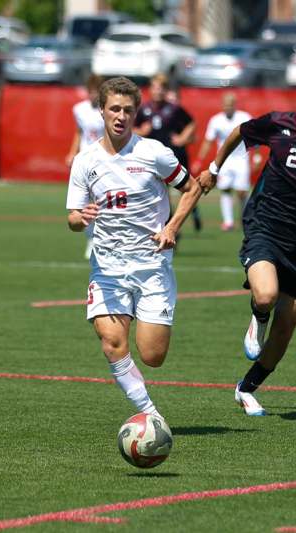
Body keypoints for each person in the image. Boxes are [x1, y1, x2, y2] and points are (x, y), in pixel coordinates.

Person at [197, 71, 296, 416]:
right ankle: (258, 315)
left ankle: (246, 388)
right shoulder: (279, 124)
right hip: (265, 225)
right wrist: (214, 167)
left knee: (286, 329)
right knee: (266, 295)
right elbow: (240, 132)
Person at [66, 76, 203, 419]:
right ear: (101, 111)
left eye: (128, 110)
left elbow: (193, 187)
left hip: (151, 265)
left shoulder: (153, 153)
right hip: (108, 269)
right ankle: (150, 414)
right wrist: (80, 217)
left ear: (135, 112)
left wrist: (172, 227)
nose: (120, 116)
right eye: (114, 108)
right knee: (112, 342)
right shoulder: (85, 161)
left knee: (152, 356)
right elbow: (71, 217)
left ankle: (148, 403)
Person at [134, 74, 203, 233]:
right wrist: (141, 131)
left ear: (166, 90)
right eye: (155, 88)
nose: (158, 91)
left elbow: (191, 122)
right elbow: (131, 129)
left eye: (161, 88)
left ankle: (193, 210)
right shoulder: (144, 109)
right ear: (150, 90)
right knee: (161, 193)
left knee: (186, 188)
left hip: (175, 155)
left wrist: (183, 138)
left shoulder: (174, 108)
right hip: (152, 159)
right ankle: (169, 226)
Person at [193, 92, 252, 231]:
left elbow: (254, 137)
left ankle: (246, 218)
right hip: (224, 160)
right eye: (226, 105)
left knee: (242, 192)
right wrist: (199, 159)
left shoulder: (244, 118)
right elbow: (208, 141)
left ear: (235, 105)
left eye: (230, 105)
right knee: (225, 190)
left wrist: (256, 156)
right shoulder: (216, 120)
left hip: (242, 159)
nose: (228, 107)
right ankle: (228, 222)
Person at [65, 74, 106, 260]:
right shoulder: (79, 109)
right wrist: (72, 152)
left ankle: (101, 238)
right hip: (84, 161)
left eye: (96, 92)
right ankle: (90, 239)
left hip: (103, 161)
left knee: (102, 201)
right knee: (83, 204)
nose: (92, 96)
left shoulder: (106, 111)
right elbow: (78, 132)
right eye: (90, 92)